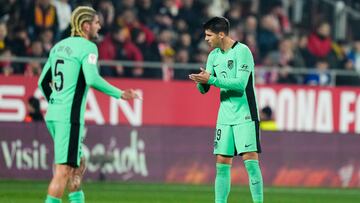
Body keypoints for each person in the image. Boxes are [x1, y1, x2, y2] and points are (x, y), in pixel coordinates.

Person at [38, 6, 140, 203]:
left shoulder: (58, 47)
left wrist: (56, 100)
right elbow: (92, 79)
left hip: (54, 113)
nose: (99, 26)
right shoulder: (88, 48)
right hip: (69, 117)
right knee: (63, 171)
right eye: (96, 23)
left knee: (78, 164)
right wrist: (121, 94)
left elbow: (42, 81)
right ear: (86, 26)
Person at [189, 17, 264, 203]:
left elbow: (240, 84)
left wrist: (211, 80)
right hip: (224, 116)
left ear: (221, 34)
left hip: (245, 113)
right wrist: (201, 82)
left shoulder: (243, 52)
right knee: (222, 164)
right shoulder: (213, 56)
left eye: (209, 35)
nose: (206, 39)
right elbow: (205, 89)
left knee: (251, 163)